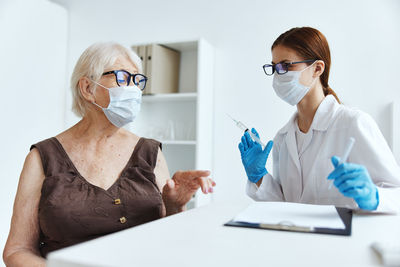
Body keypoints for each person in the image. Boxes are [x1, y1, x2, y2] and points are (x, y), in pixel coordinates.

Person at [3, 42, 216, 266]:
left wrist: (175, 205)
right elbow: (17, 250)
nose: (133, 89)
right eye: (123, 78)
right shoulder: (42, 157)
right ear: (87, 88)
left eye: (137, 80)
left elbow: (165, 237)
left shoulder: (150, 152)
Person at [239, 27, 400, 212]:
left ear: (317, 68)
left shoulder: (353, 124)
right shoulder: (282, 138)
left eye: (285, 65)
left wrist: (374, 196)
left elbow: (397, 193)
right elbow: (284, 206)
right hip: (291, 239)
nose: (278, 75)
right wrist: (258, 176)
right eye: (274, 67)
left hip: (342, 240)